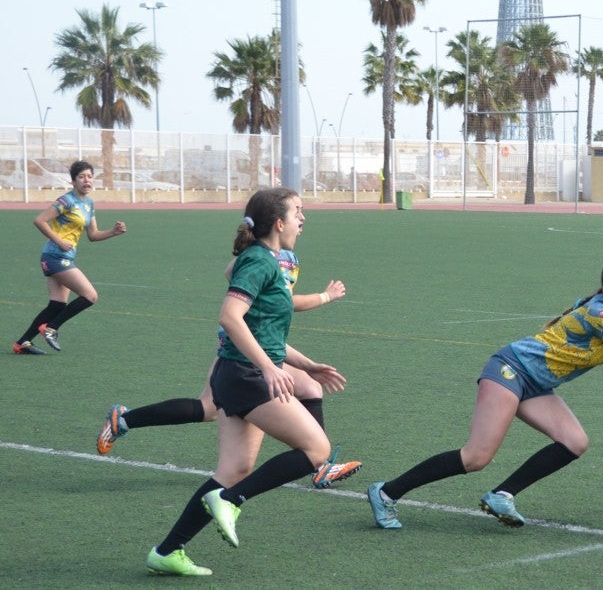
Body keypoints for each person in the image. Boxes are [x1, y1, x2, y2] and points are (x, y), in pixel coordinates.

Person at [366, 257, 603, 531]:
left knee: (575, 441)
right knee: (476, 457)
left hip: (536, 385)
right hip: (509, 370)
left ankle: (502, 494)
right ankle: (386, 492)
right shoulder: (601, 314)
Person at [145, 187, 348, 577]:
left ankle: (168, 550)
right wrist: (270, 369)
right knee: (317, 450)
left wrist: (306, 365)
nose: (303, 220)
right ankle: (233, 500)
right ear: (278, 222)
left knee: (234, 468)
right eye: (298, 212)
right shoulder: (260, 262)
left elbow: (262, 332)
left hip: (234, 375)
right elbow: (230, 317)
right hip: (246, 376)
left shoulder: (265, 260)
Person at [97, 250, 360, 490]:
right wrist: (326, 296)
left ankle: (320, 465)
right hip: (242, 351)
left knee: (309, 386)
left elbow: (277, 299)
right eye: (296, 211)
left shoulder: (286, 256)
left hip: (263, 346)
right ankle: (124, 419)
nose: (302, 216)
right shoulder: (265, 255)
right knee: (207, 409)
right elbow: (280, 299)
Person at [12, 160, 126, 355]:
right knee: (90, 296)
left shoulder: (88, 204)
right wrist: (59, 241)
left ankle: (22, 343)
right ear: (73, 181)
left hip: (62, 256)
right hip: (55, 256)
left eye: (89, 176)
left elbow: (93, 235)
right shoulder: (67, 201)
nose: (86, 180)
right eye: (81, 177)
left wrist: (113, 232)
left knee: (57, 304)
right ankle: (51, 328)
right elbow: (39, 220)